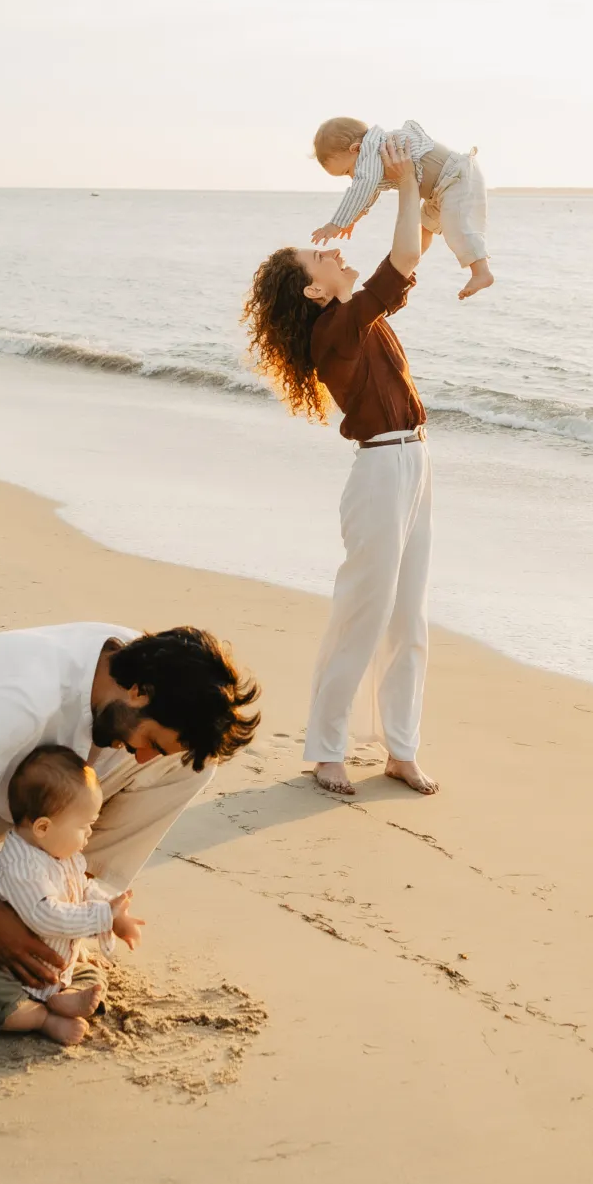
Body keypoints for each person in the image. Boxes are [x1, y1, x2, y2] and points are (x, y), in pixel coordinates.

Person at [0, 622, 259, 986]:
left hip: (56, 796)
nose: (144, 759)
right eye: (151, 741)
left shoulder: (153, 679)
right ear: (138, 692)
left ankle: (65, 905)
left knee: (191, 763)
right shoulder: (26, 697)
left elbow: (169, 750)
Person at [242, 140, 437, 798]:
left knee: (410, 619)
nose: (330, 249)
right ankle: (326, 750)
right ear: (313, 289)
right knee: (364, 613)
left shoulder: (360, 314)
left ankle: (400, 750)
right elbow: (401, 257)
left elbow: (414, 254)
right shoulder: (337, 331)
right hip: (381, 473)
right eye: (318, 256)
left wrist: (431, 195)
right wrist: (404, 181)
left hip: (415, 463)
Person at [0, 747, 137, 1045]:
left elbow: (83, 889)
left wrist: (111, 908)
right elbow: (46, 915)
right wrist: (103, 917)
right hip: (4, 971)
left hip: (54, 970)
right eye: (83, 826)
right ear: (43, 827)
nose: (89, 834)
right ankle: (44, 1018)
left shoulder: (64, 855)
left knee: (92, 975)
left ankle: (69, 996)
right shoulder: (20, 867)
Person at [311, 116, 493, 300]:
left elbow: (362, 188)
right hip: (439, 191)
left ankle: (481, 272)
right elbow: (370, 192)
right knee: (422, 228)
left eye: (347, 171)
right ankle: (402, 270)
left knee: (457, 228)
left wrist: (336, 224)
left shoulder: (373, 150)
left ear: (356, 148)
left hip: (455, 178)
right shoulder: (372, 158)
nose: (352, 177)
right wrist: (352, 219)